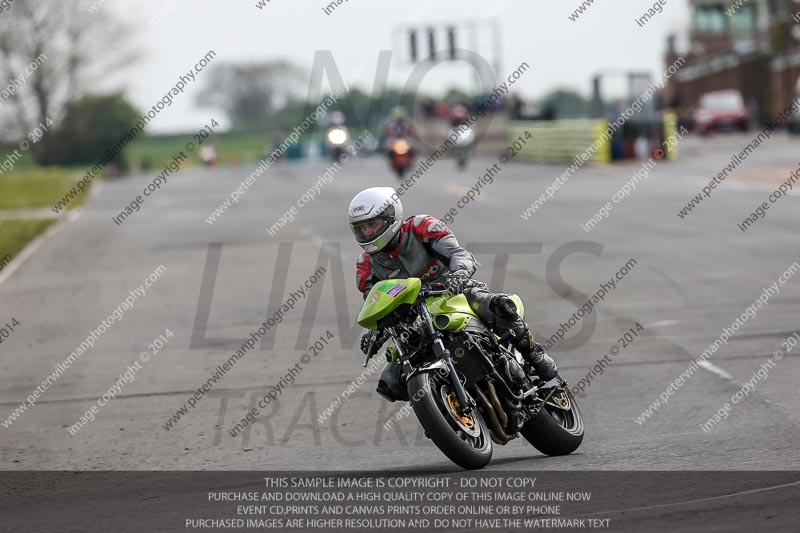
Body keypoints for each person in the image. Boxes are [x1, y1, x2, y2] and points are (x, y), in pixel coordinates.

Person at [348, 186, 558, 401]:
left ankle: (535, 356)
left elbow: (459, 254)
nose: (368, 233)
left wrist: (458, 273)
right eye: (362, 228)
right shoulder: (366, 265)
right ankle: (441, 408)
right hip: (414, 319)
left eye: (372, 224)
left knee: (500, 307)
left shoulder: (422, 226)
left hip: (454, 291)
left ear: (391, 216)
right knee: (390, 382)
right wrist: (376, 332)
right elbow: (376, 304)